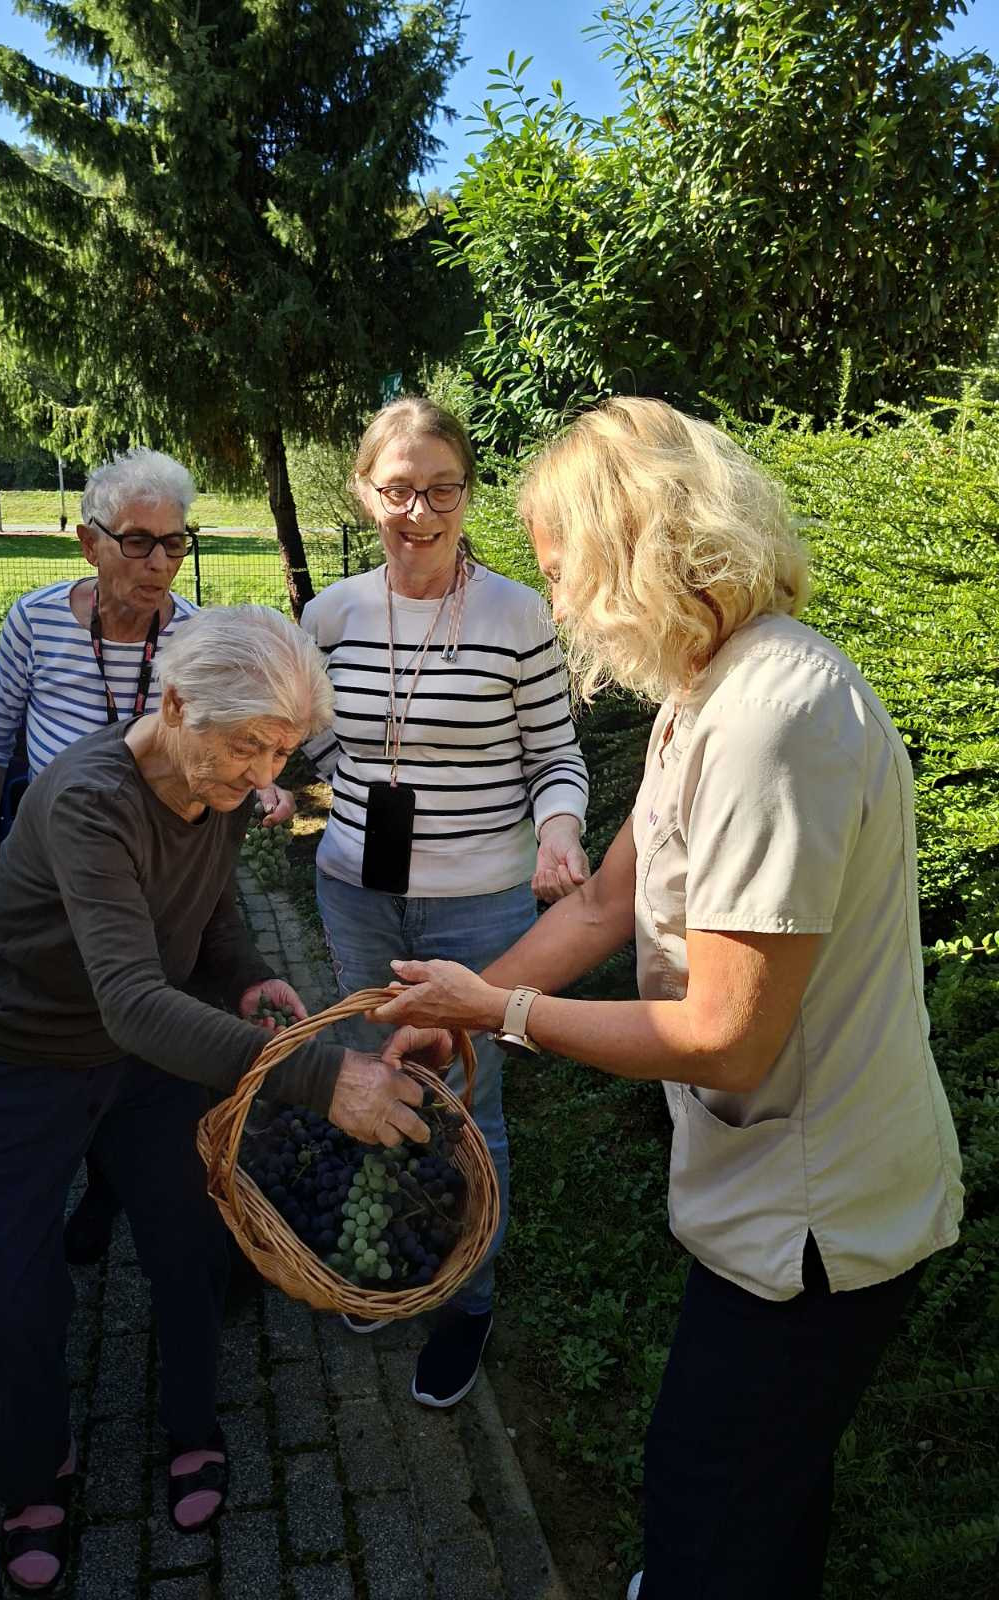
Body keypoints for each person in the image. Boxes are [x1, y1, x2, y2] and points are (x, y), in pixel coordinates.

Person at [372, 398, 965, 1599]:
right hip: (772, 1205)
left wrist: (502, 1015)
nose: (560, 610)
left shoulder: (773, 720)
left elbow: (727, 1040)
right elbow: (603, 904)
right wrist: (462, 1000)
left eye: (562, 574)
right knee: (760, 1496)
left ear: (630, 550)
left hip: (816, 1229)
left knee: (708, 1504)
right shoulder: (707, 694)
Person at [0, 604, 441, 1593]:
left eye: (282, 752)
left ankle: (192, 1426)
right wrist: (323, 1074)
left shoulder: (217, 786)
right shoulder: (91, 800)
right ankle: (34, 1469)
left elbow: (209, 905)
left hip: (144, 1056)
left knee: (194, 1241)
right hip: (17, 1057)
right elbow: (130, 999)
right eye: (248, 746)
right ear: (173, 704)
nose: (263, 776)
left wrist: (244, 972)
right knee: (14, 1290)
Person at [300, 397, 590, 1408]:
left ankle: (468, 1295)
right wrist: (312, 788)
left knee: (468, 1100)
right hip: (358, 895)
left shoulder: (516, 616)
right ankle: (387, 1257)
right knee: (375, 1078)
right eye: (398, 491)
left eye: (442, 490)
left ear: (468, 493)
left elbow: (556, 758)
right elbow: (313, 740)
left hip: (482, 909)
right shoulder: (331, 616)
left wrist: (559, 832)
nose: (419, 514)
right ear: (364, 493)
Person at [0, 447, 294, 1265]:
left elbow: (222, 747)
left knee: (145, 1052)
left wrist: (257, 783)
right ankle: (93, 1180)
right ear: (89, 542)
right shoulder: (36, 619)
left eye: (175, 543)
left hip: (157, 877)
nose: (159, 563)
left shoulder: (196, 638)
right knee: (77, 1042)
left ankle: (118, 1188)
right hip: (53, 874)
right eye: (138, 542)